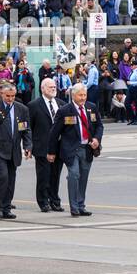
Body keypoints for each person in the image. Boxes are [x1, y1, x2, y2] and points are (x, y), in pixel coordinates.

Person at [47, 82, 102, 217]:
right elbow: (54, 133)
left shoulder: (91, 107)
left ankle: (81, 205)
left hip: (87, 148)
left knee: (83, 177)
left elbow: (99, 126)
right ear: (73, 95)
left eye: (84, 95)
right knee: (74, 174)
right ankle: (74, 207)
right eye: (80, 95)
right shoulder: (65, 111)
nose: (83, 98)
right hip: (71, 149)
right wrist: (51, 151)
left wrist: (96, 139)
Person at [0, 81, 32, 219]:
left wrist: (27, 146)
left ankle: (7, 207)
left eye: (13, 96)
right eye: (8, 96)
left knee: (11, 179)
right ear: (2, 94)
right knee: (2, 176)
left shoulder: (22, 109)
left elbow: (26, 129)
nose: (10, 99)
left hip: (14, 149)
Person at [29, 77, 66, 212]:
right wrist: (29, 145)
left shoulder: (61, 104)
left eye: (54, 87)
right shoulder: (34, 105)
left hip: (59, 147)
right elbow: (29, 128)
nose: (53, 89)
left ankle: (54, 200)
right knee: (44, 175)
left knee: (55, 175)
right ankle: (43, 201)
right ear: (42, 88)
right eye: (50, 87)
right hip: (41, 147)